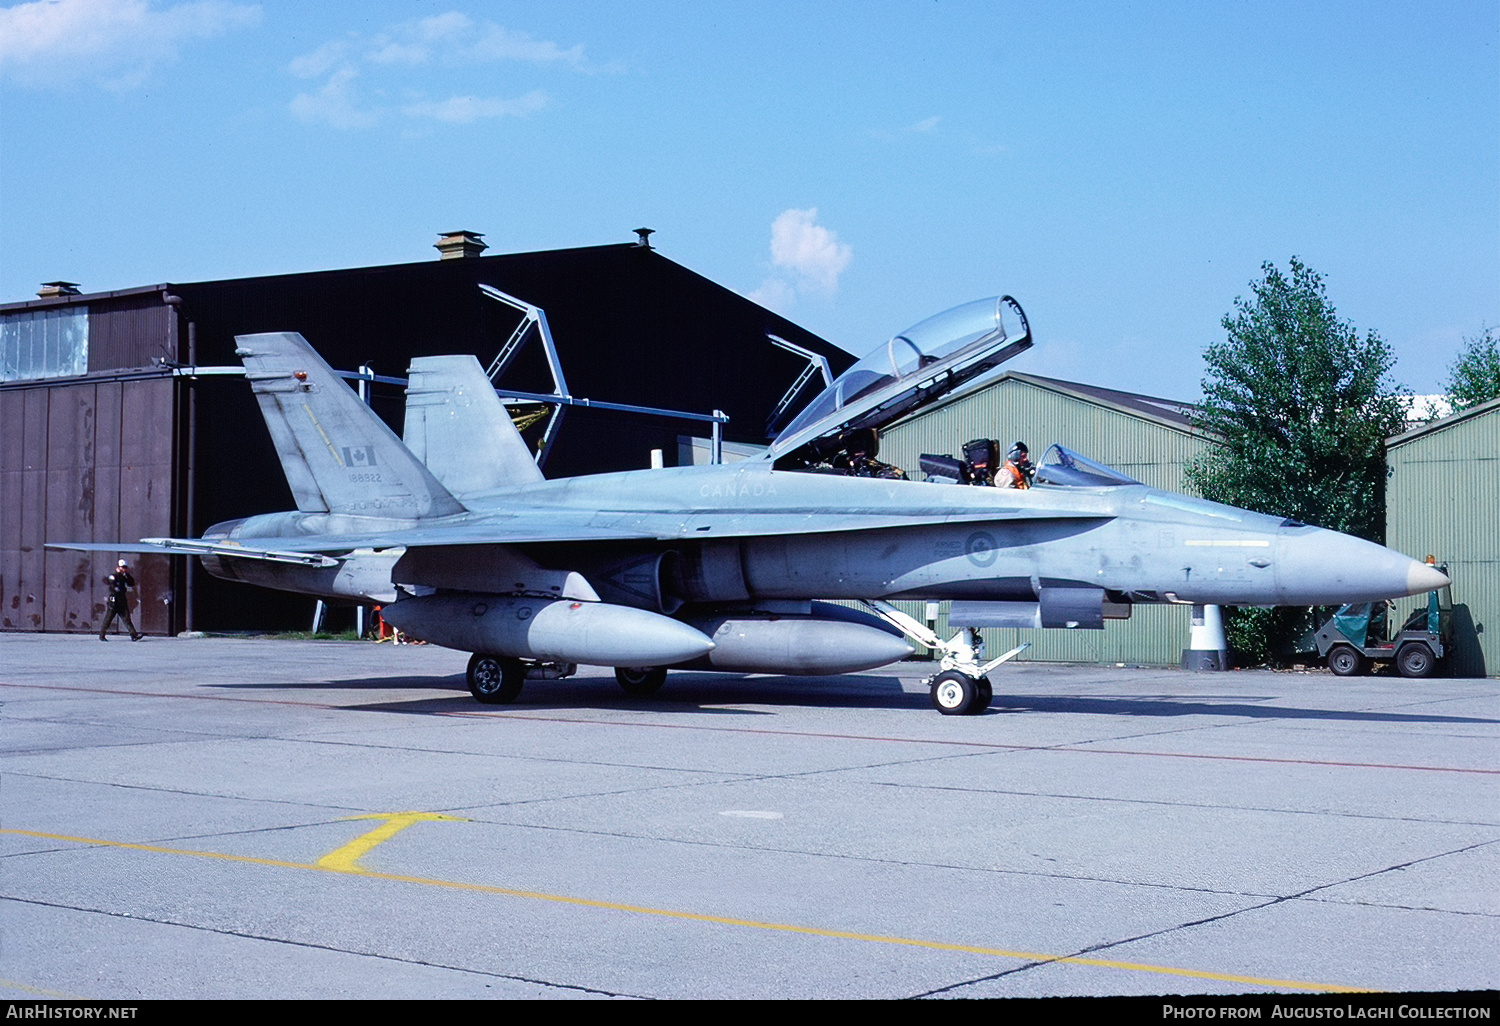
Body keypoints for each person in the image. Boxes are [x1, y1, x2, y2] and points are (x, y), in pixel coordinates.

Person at [99, 559, 143, 641]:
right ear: (118, 567)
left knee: (127, 618)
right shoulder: (114, 576)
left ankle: (134, 635)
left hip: (122, 600)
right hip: (114, 600)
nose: (124, 569)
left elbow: (131, 583)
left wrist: (127, 575)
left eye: (125, 567)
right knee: (109, 618)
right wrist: (119, 575)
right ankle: (102, 635)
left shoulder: (125, 576)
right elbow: (112, 586)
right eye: (122, 567)